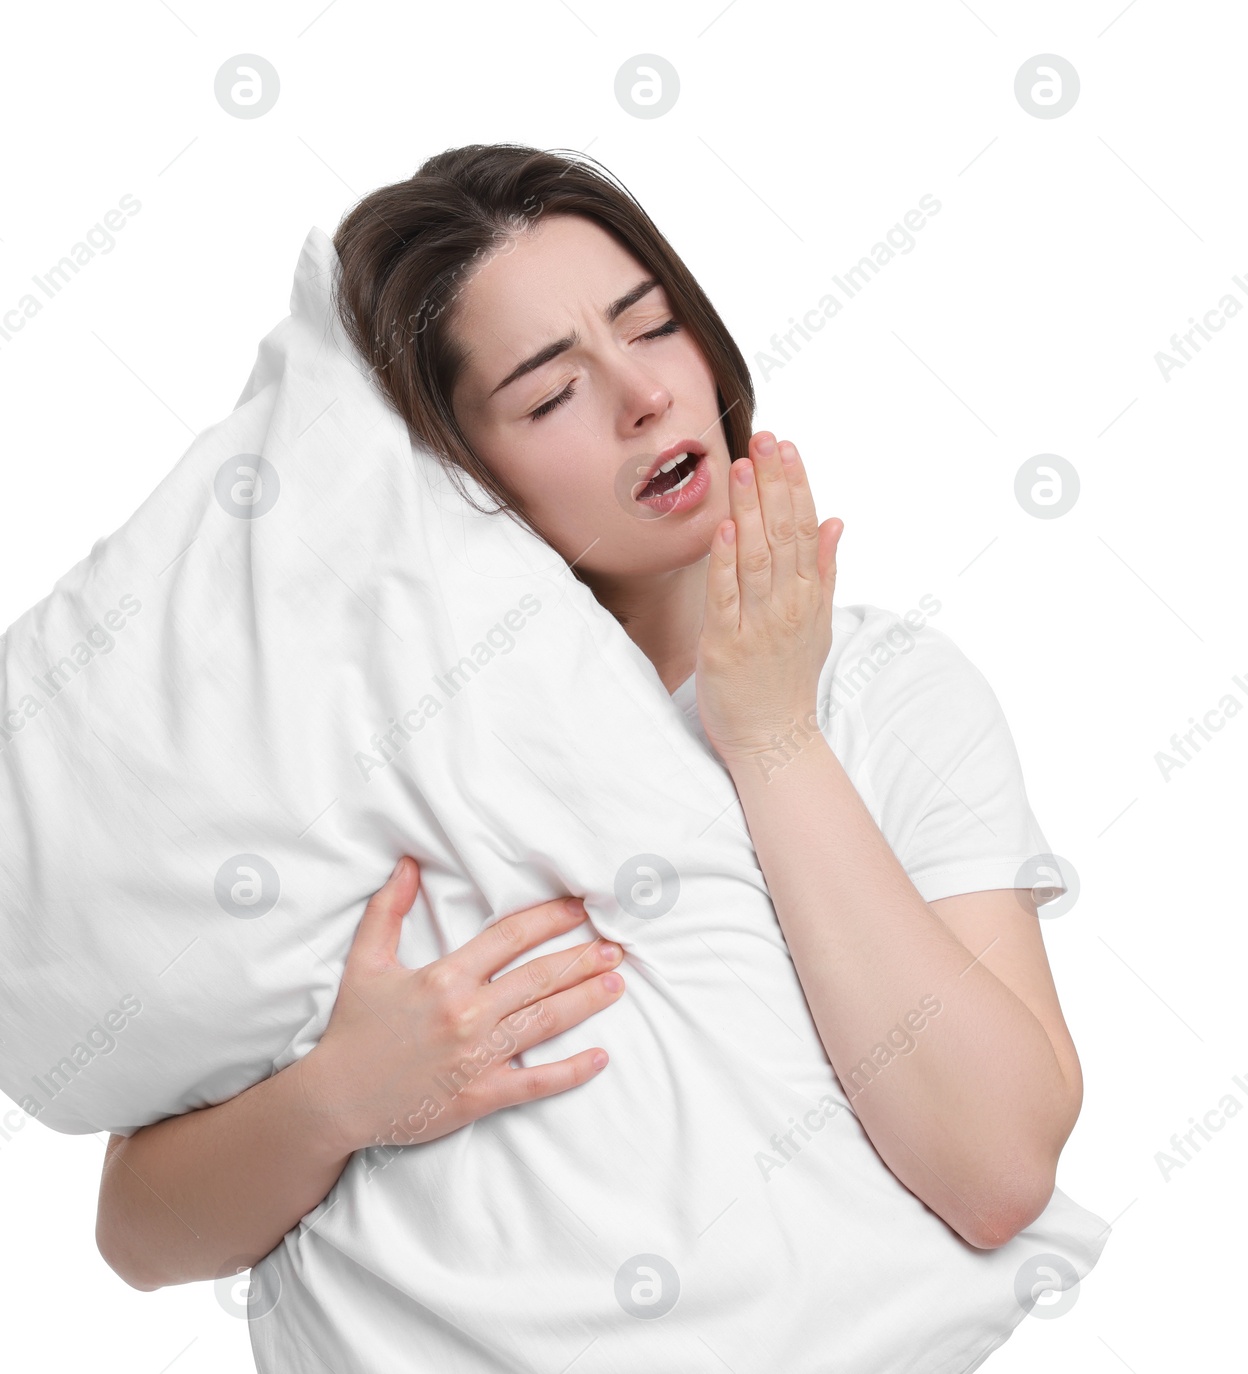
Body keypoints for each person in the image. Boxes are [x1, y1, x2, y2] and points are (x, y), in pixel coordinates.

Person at [96, 144, 1095, 1369]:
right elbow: (141, 1236)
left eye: (653, 325)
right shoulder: (375, 740)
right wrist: (347, 1097)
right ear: (457, 473)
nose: (643, 397)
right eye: (547, 392)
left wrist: (772, 735)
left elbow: (994, 1170)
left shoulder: (893, 698)